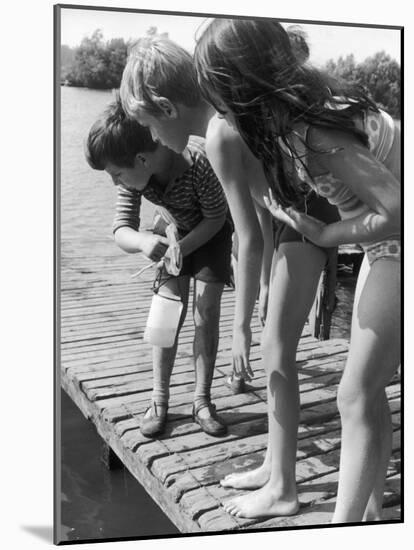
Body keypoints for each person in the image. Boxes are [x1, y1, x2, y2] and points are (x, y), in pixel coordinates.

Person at [119, 29, 340, 520]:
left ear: (166, 107)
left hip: (307, 223)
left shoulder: (218, 133)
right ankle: (274, 465)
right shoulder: (224, 123)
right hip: (298, 221)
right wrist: (262, 287)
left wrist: (239, 325)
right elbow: (263, 202)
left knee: (273, 350)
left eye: (150, 127)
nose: (153, 139)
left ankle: (283, 487)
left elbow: (248, 236)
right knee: (275, 350)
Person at [194, 19, 400, 523]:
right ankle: (372, 512)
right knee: (366, 392)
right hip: (384, 249)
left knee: (353, 394)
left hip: (397, 244)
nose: (219, 115)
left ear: (243, 90)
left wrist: (329, 236)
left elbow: (396, 208)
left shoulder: (312, 129)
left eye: (220, 100)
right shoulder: (300, 118)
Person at [85, 96, 233, 438]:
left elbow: (215, 218)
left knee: (205, 312)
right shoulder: (133, 176)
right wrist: (143, 242)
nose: (115, 182)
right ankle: (159, 399)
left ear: (140, 159)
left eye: (116, 173)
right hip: (170, 233)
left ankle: (202, 400)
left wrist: (181, 249)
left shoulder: (198, 161)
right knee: (166, 313)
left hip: (211, 234)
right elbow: (121, 230)